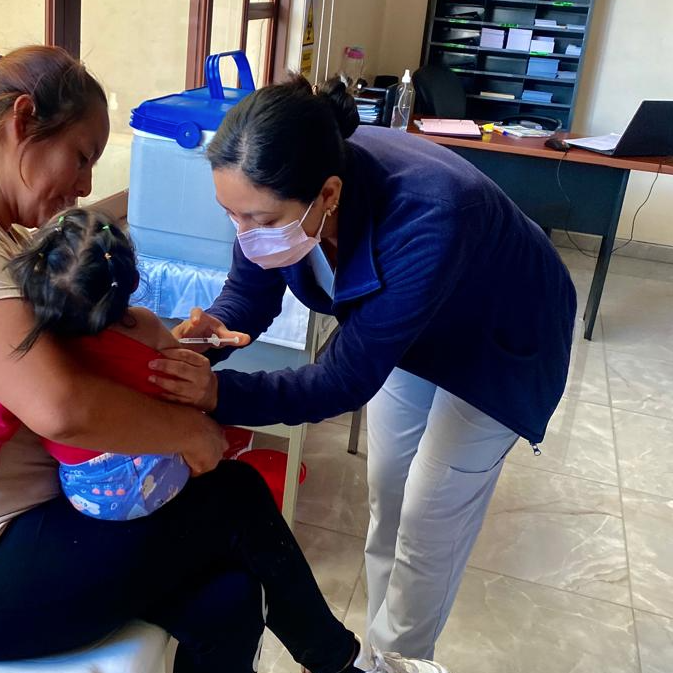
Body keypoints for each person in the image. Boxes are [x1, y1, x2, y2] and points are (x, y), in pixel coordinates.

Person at [0, 43, 446, 673]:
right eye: (81, 158)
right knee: (236, 497)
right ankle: (340, 667)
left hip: (35, 525)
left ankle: (335, 663)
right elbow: (61, 406)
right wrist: (190, 432)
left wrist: (166, 349)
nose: (86, 186)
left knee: (230, 597)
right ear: (22, 122)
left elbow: (78, 362)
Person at [152, 75, 577, 666]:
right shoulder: (280, 187)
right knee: (389, 495)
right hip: (406, 330)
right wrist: (202, 342)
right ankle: (380, 648)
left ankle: (397, 660)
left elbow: (341, 382)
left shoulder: (432, 212)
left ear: (328, 194)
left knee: (428, 522)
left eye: (259, 220)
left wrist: (215, 392)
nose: (246, 235)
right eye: (233, 216)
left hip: (499, 340)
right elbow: (247, 294)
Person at [0, 209, 191, 520]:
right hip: (169, 468)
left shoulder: (40, 355)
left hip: (94, 496)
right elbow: (179, 374)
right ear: (134, 282)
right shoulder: (146, 325)